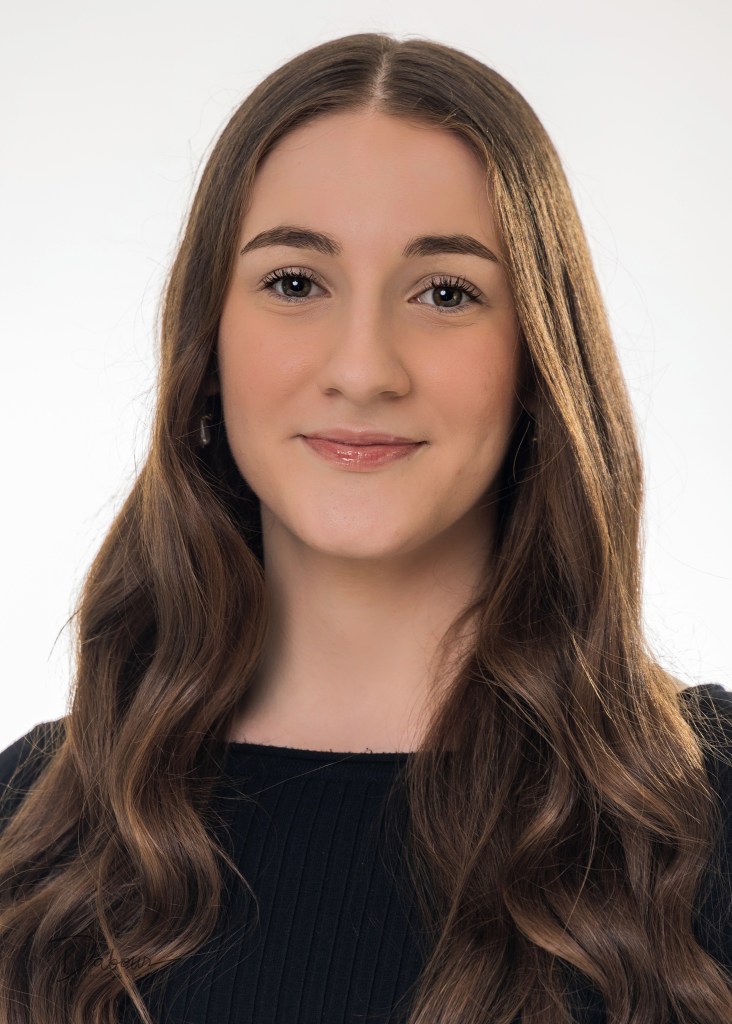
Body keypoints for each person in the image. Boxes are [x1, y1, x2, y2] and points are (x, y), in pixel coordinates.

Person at [0, 31, 730, 1024]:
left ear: (536, 358)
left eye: (446, 293)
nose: (363, 368)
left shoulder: (704, 816)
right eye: (295, 283)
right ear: (207, 344)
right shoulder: (37, 834)